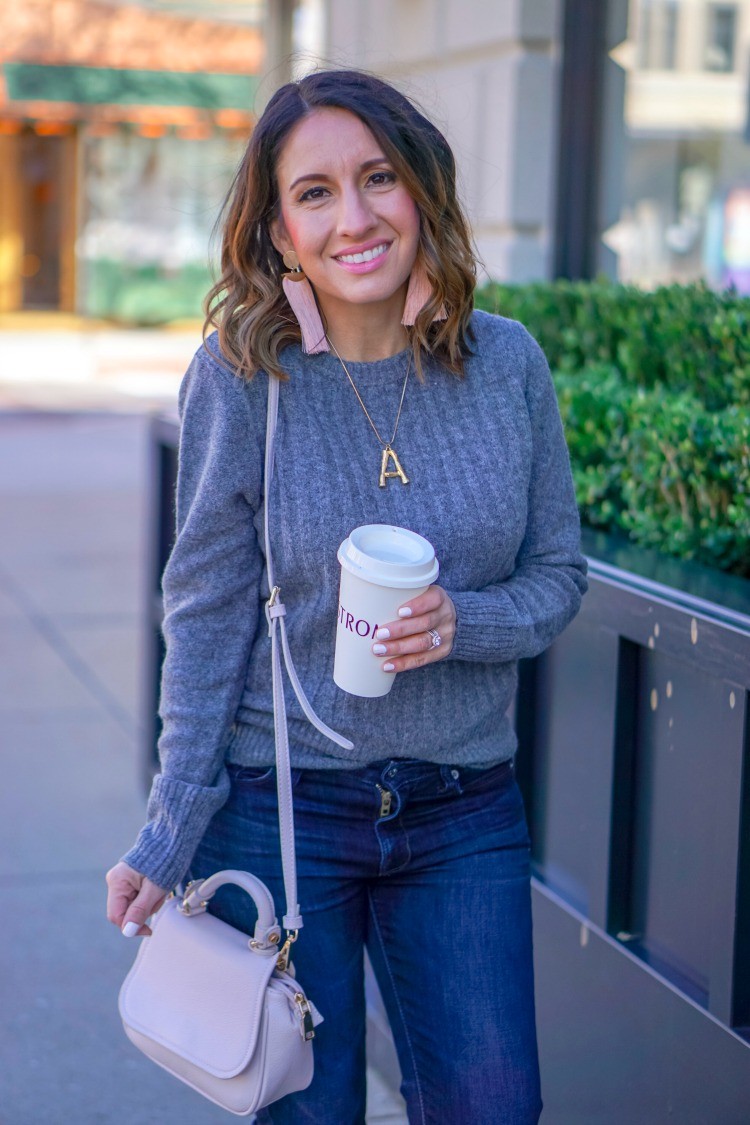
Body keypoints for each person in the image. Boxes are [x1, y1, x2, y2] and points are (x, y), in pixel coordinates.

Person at [106, 68, 587, 1124]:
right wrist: (169, 825)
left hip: (464, 808)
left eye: (377, 179)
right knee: (305, 1112)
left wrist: (470, 621)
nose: (355, 216)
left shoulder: (506, 366)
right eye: (314, 192)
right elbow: (205, 613)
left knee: (495, 1106)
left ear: (421, 192)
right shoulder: (241, 376)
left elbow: (559, 576)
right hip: (283, 812)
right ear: (279, 232)